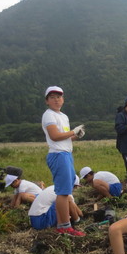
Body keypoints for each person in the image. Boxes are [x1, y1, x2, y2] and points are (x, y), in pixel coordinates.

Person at [41, 85, 86, 237]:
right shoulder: (49, 115)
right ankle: (65, 226)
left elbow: (64, 136)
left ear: (63, 99)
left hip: (66, 154)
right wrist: (73, 131)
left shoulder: (63, 116)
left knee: (65, 192)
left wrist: (76, 135)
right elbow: (54, 136)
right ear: (47, 101)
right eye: (52, 97)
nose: (56, 100)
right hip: (58, 154)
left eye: (58, 97)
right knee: (63, 192)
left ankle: (62, 225)